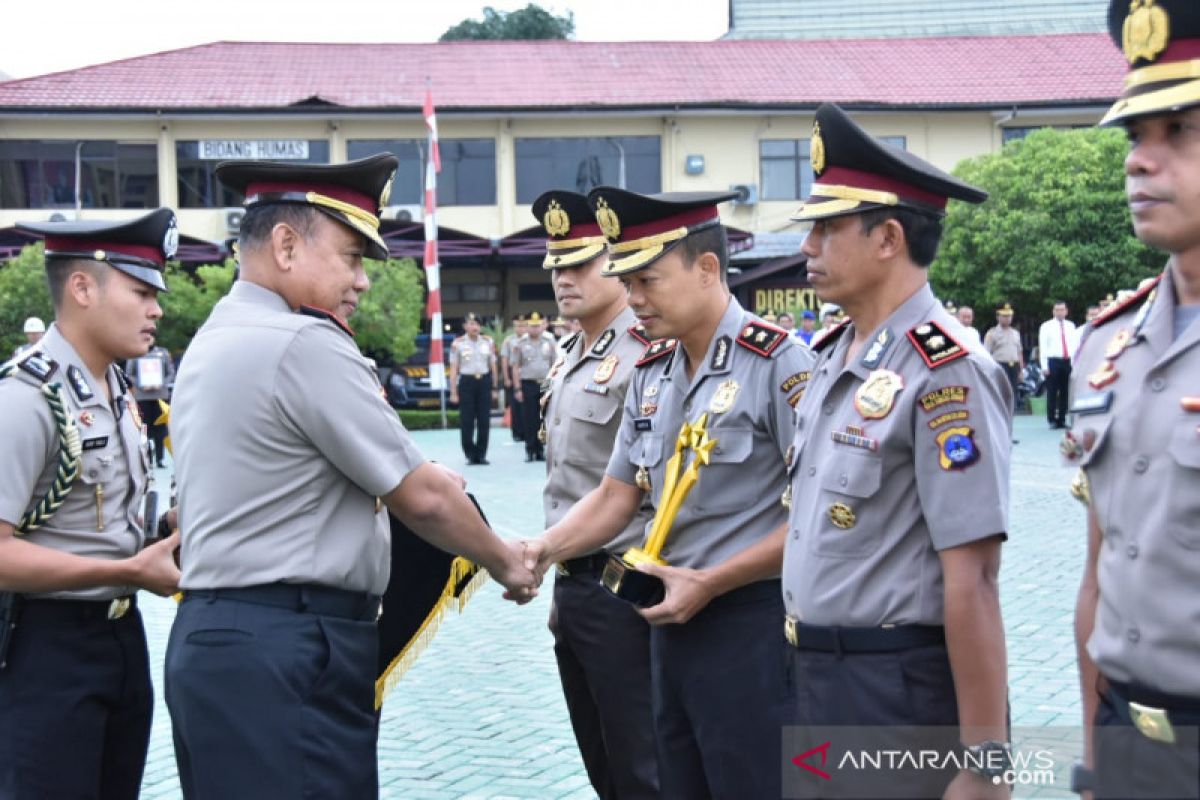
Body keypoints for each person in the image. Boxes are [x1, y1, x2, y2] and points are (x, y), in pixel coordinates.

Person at [165, 154, 537, 799]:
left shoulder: (221, 333)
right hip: (287, 649)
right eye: (350, 256)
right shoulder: (301, 341)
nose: (361, 281)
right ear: (286, 245)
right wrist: (506, 561)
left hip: (225, 644)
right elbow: (421, 496)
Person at [523, 187, 814, 798]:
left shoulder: (779, 363)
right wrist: (539, 551)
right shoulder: (653, 374)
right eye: (627, 281)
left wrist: (711, 582)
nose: (634, 299)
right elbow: (615, 497)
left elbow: (818, 519)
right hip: (667, 626)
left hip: (748, 622)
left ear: (707, 269)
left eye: (648, 280)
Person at [782, 103, 1011, 798]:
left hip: (893, 694)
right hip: (817, 679)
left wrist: (986, 765)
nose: (808, 247)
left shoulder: (945, 369)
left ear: (887, 238)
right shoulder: (834, 355)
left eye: (826, 228)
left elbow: (972, 579)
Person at [0, 210, 183, 799]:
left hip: (120, 637)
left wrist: (163, 534)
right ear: (82, 287)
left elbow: (101, 517)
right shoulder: (26, 398)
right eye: (141, 291)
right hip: (45, 648)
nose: (157, 308)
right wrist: (125, 570)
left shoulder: (114, 387)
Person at [1071, 3, 1200, 797]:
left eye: (1179, 131)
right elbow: (1098, 572)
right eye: (1133, 136)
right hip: (1128, 739)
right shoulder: (1106, 347)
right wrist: (1092, 758)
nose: (1139, 163)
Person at [532, 189, 659, 798]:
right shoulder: (568, 355)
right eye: (557, 266)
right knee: (603, 762)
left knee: (644, 766)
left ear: (616, 261)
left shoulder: (647, 355)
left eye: (580, 263)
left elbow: (643, 490)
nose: (565, 279)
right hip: (578, 584)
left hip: (628, 586)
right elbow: (566, 483)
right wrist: (562, 579)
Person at [447, 312, 497, 465]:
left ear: (480, 326)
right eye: (470, 324)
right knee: (467, 419)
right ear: (465, 326)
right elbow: (454, 369)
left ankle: (481, 454)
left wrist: (495, 387)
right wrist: (453, 391)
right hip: (467, 382)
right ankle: (470, 453)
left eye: (476, 324)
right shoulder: (458, 344)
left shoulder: (488, 342)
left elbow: (493, 366)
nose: (474, 326)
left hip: (484, 381)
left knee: (484, 419)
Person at [512, 310, 556, 462]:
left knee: (543, 416)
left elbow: (554, 365)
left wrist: (550, 386)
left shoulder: (549, 341)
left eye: (537, 326)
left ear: (542, 326)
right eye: (532, 326)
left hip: (544, 382)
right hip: (528, 383)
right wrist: (517, 388)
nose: (535, 329)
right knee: (529, 418)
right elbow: (516, 366)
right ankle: (530, 449)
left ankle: (541, 450)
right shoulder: (521, 343)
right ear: (527, 327)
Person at [125, 343, 175, 467]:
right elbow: (129, 374)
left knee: (161, 429)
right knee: (143, 429)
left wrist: (161, 383)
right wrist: (141, 384)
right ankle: (146, 459)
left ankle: (160, 459)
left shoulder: (163, 353)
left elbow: (171, 373)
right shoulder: (135, 352)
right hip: (142, 396)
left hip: (160, 396)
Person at [1038, 300, 1076, 428]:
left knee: (1065, 391)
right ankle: (1052, 420)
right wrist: (1044, 366)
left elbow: (1074, 346)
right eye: (1057, 310)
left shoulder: (1071, 326)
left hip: (1067, 360)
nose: (1060, 312)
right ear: (1053, 311)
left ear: (1066, 311)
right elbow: (1043, 346)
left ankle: (1062, 419)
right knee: (1052, 391)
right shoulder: (1046, 326)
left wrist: (1074, 363)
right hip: (1052, 360)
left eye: (1062, 309)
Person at [984, 302, 1023, 414]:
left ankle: (1011, 411)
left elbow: (1019, 351)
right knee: (1000, 391)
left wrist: (1021, 370)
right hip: (1000, 365)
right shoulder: (992, 333)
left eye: (1009, 316)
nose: (1007, 319)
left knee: (1013, 391)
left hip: (1014, 365)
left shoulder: (1015, 333)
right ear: (998, 317)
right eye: (1004, 316)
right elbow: (986, 353)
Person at [500, 315, 527, 442]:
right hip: (513, 374)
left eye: (522, 325)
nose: (520, 328)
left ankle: (528, 431)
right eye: (517, 326)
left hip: (528, 375)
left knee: (529, 406)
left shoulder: (530, 340)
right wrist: (506, 378)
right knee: (515, 406)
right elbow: (505, 360)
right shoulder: (509, 341)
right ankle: (516, 432)